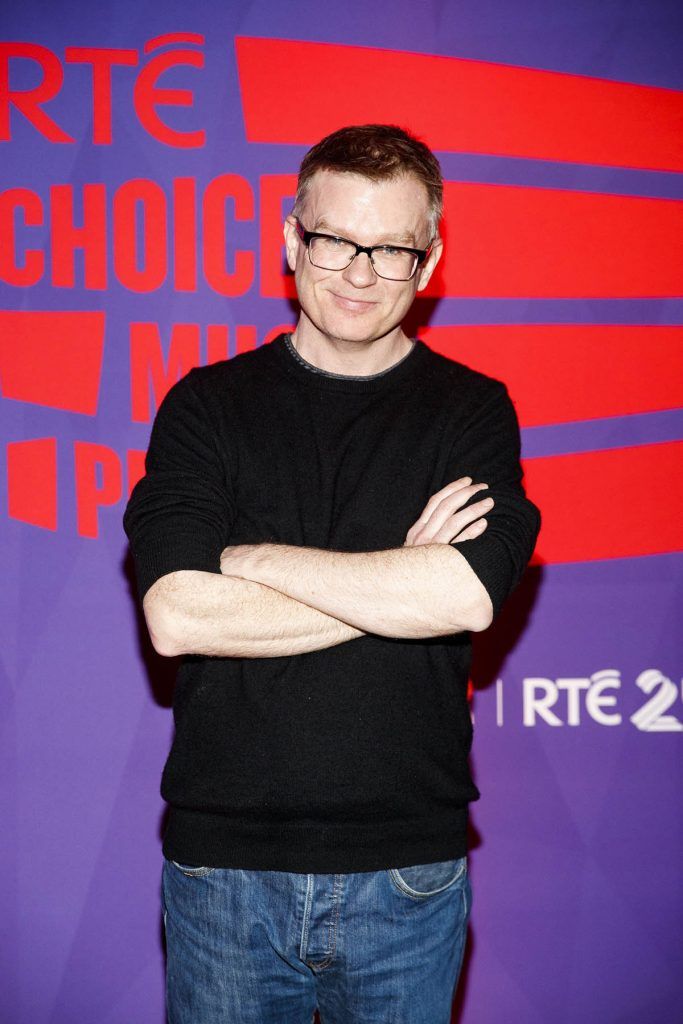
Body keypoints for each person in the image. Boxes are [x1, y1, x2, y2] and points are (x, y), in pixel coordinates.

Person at [124, 123, 540, 1024]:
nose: (358, 273)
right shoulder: (205, 407)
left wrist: (255, 559)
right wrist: (402, 580)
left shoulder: (472, 411)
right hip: (222, 874)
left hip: (406, 874)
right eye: (334, 240)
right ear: (289, 240)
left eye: (390, 249)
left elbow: (464, 595)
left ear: (427, 263)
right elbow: (179, 617)